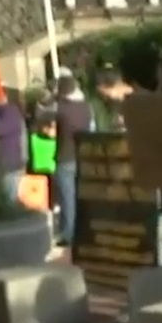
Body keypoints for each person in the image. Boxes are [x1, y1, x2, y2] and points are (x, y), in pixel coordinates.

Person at [54, 74, 92, 246]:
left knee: (67, 199)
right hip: (82, 156)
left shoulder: (62, 109)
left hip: (65, 156)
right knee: (80, 197)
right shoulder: (86, 107)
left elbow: (46, 119)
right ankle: (83, 230)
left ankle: (68, 234)